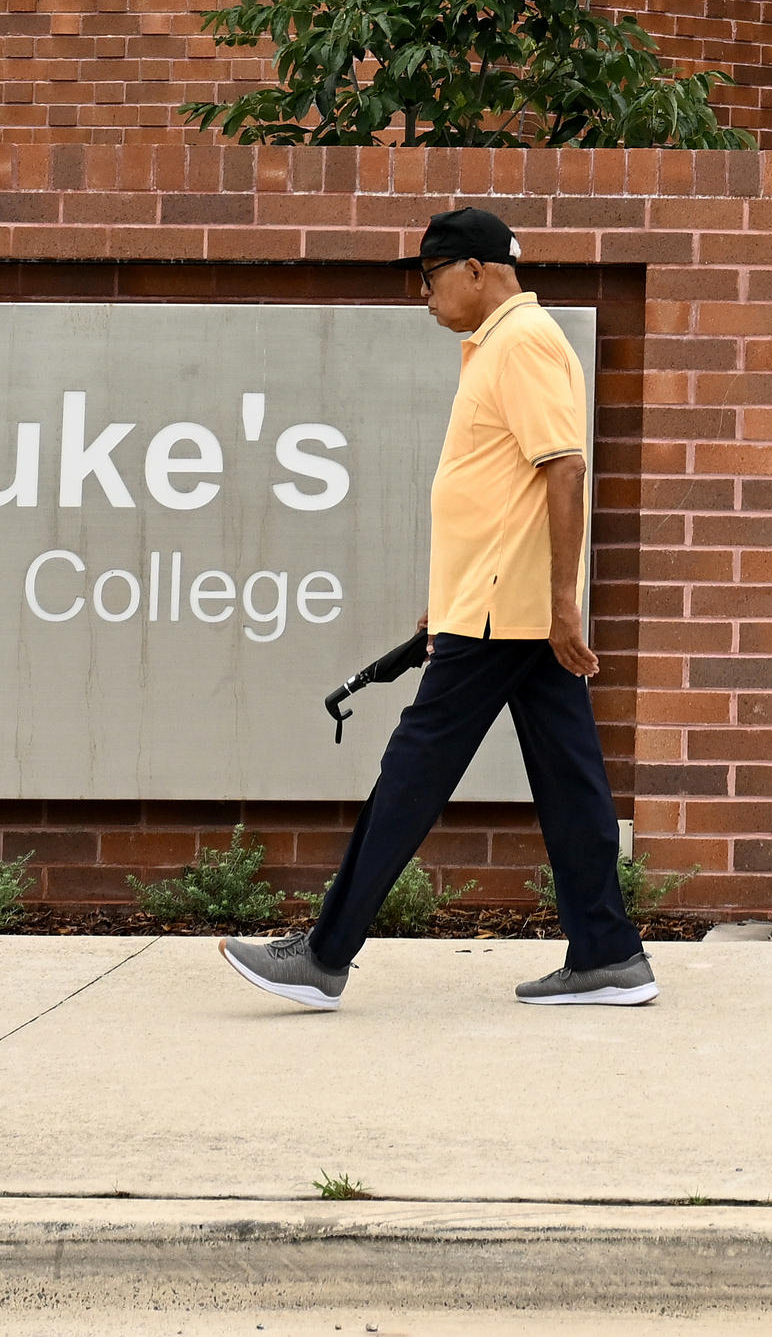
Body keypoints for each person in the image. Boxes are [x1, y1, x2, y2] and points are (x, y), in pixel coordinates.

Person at [224, 208, 655, 1010]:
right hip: (495, 607)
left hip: (507, 613)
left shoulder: (522, 342)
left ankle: (323, 953)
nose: (423, 294)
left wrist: (562, 606)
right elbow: (502, 492)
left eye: (429, 275)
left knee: (409, 774)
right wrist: (452, 606)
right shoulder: (501, 344)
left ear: (477, 270)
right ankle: (608, 951)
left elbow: (564, 470)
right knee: (571, 781)